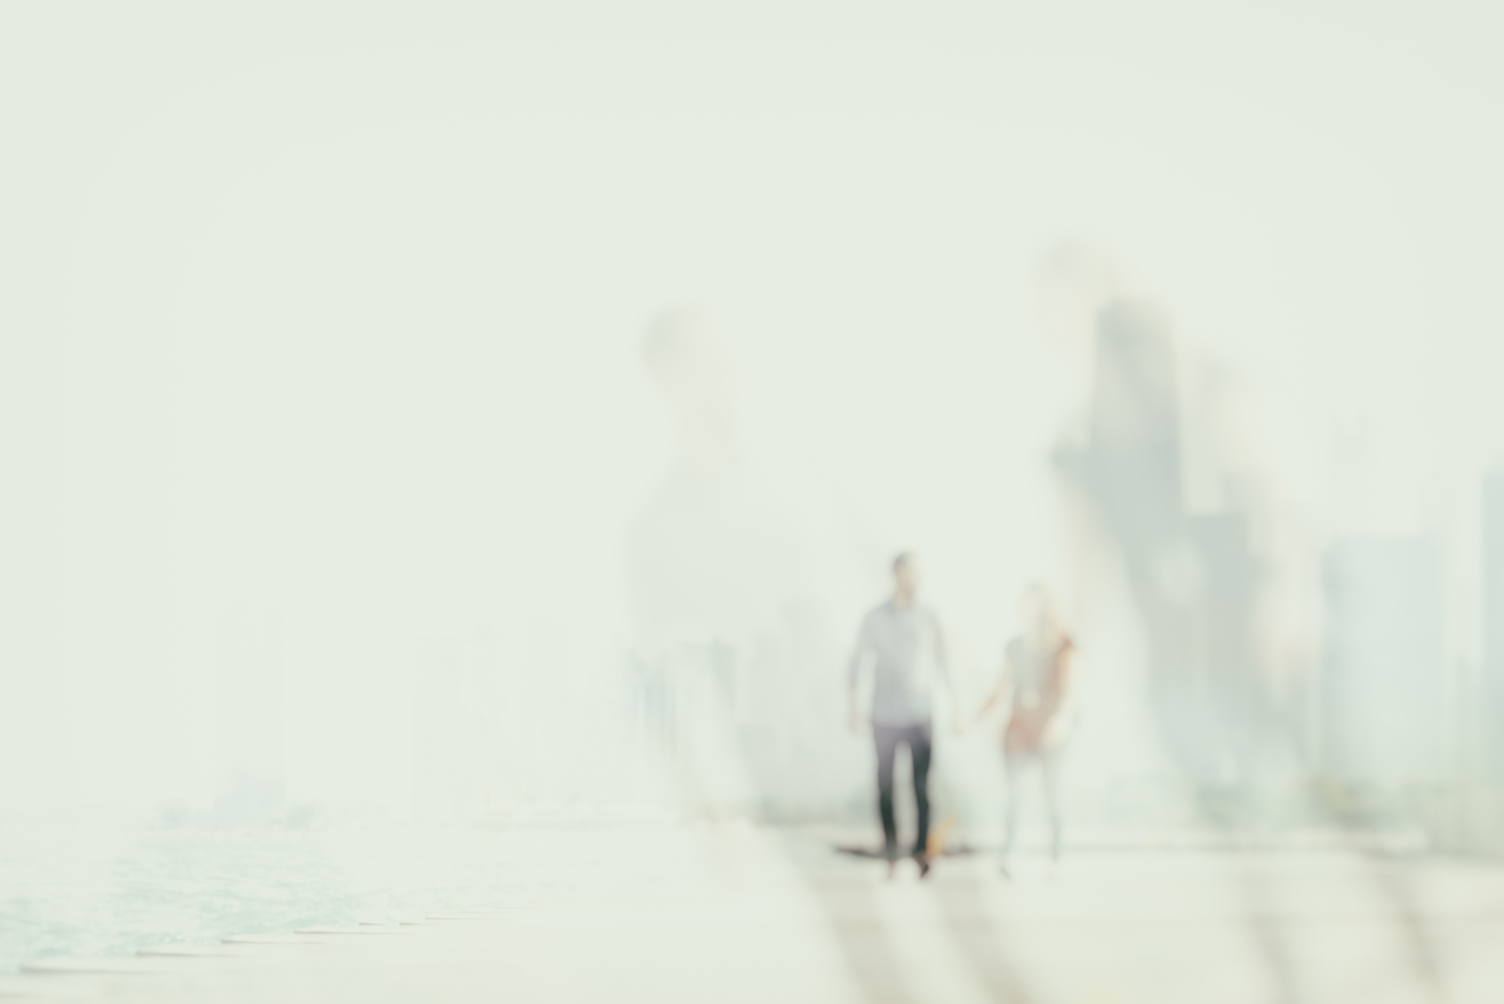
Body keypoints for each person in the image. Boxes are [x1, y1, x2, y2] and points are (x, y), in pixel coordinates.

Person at [847, 552, 957, 878]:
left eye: (920, 575)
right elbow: (856, 664)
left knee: (922, 788)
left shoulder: (929, 616)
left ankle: (922, 852)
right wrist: (854, 709)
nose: (918, 580)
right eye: (913, 573)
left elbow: (944, 663)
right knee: (884, 786)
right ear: (897, 573)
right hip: (883, 714)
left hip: (920, 713)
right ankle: (892, 853)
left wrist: (957, 708)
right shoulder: (874, 618)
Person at [971, 583, 1077, 874]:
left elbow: (1070, 690)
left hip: (1050, 731)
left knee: (1052, 793)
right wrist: (974, 719)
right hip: (1018, 728)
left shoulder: (1064, 644)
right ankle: (1011, 853)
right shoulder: (1014, 645)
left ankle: (1057, 856)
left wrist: (1062, 720)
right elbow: (999, 687)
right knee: (1015, 793)